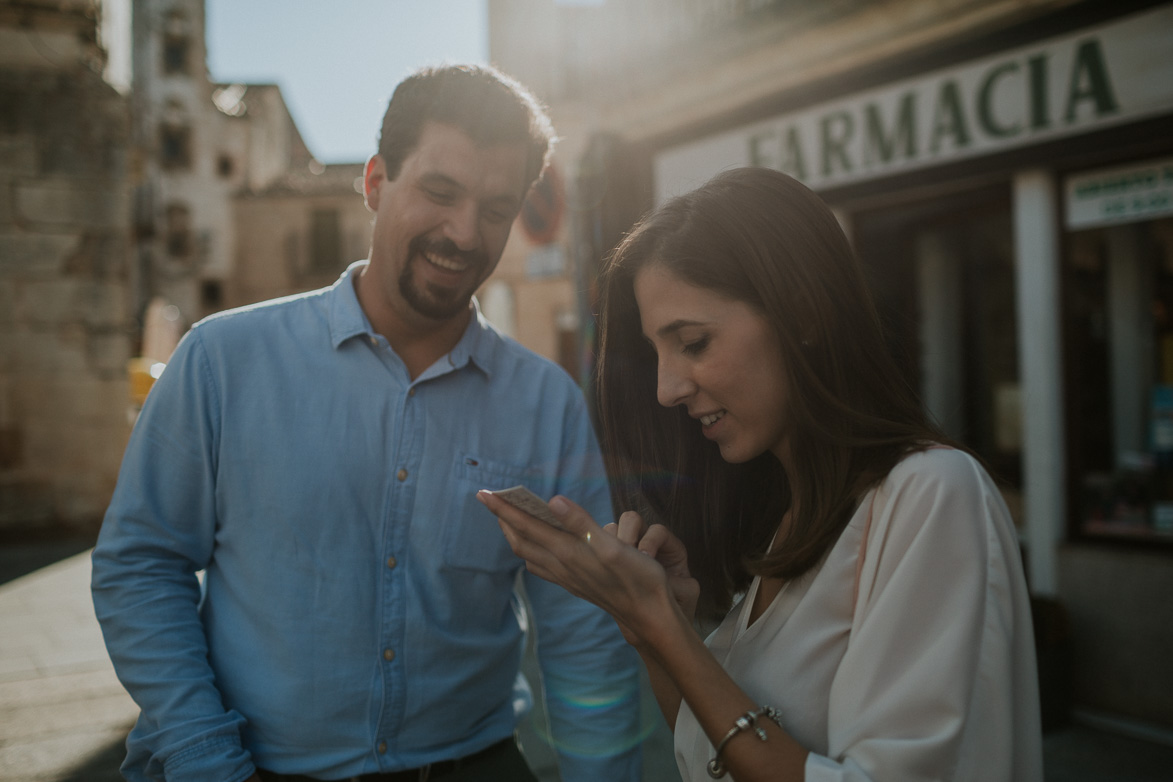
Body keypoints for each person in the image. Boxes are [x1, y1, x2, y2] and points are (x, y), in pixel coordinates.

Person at [92, 64, 642, 782]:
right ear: (376, 182)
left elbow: (582, 635)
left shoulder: (546, 403)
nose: (464, 233)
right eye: (439, 193)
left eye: (496, 208)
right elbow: (140, 564)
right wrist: (205, 756)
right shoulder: (223, 361)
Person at [481, 167, 1044, 781]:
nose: (667, 388)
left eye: (693, 342)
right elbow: (710, 759)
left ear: (802, 314)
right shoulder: (791, 523)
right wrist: (651, 630)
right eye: (657, 354)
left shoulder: (931, 493)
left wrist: (666, 628)